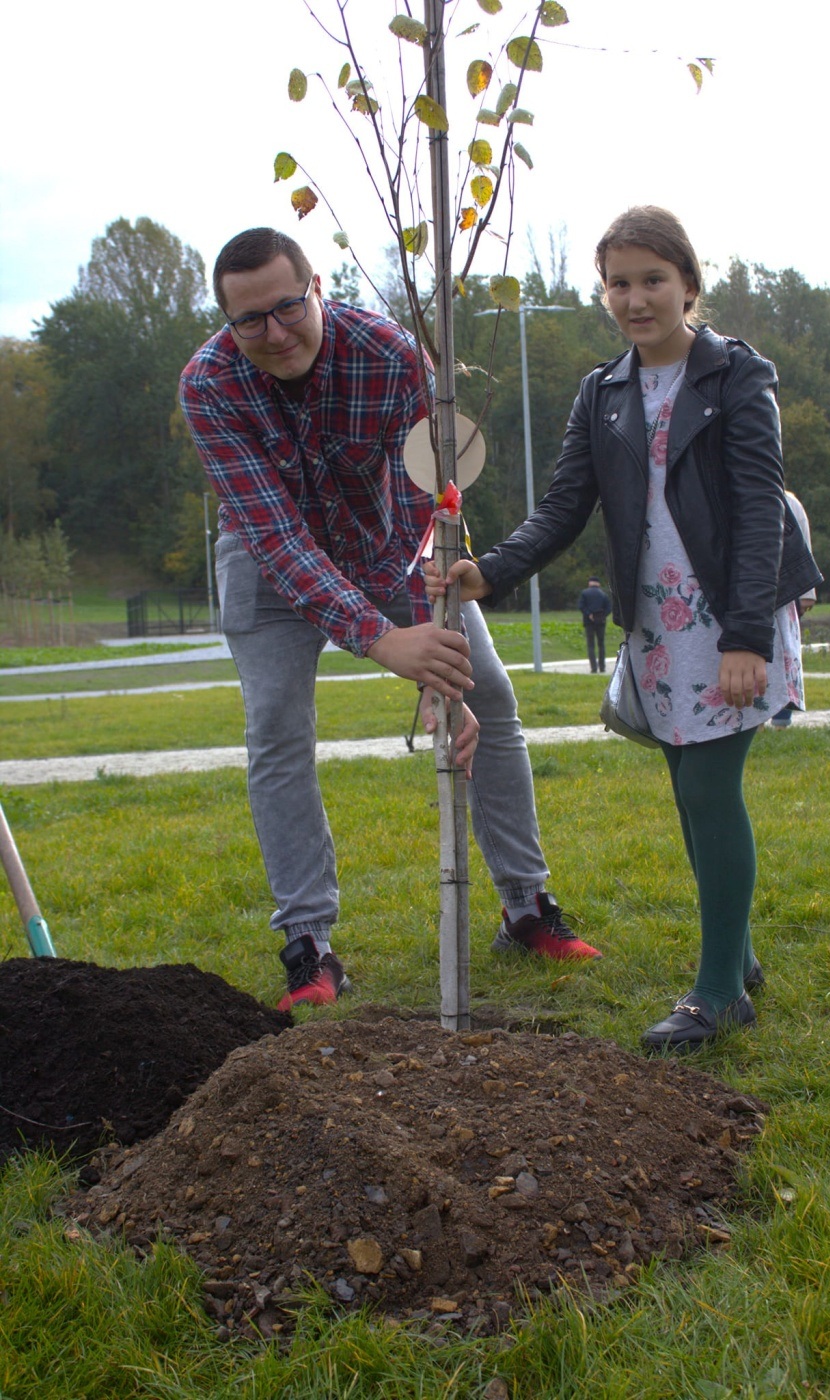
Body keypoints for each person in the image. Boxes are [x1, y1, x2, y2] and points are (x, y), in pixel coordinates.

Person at [427, 206, 821, 1053]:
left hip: (728, 616)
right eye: (619, 283)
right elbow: (566, 505)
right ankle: (739, 955)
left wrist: (747, 635)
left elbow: (759, 513)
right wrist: (490, 570)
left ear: (689, 284)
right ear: (602, 291)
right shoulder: (602, 393)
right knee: (688, 787)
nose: (636, 299)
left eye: (653, 280)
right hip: (657, 621)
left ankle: (720, 993)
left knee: (711, 791)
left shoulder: (738, 379)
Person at [179, 228, 602, 1012]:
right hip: (269, 566)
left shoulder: (394, 356)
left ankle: (526, 906)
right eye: (249, 322)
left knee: (492, 699)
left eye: (286, 308)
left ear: (318, 287)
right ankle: (309, 945)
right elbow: (276, 536)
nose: (274, 335)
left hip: (393, 547)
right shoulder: (209, 385)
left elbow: (424, 502)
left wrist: (432, 656)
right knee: (276, 726)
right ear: (225, 323)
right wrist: (383, 641)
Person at [770, 490, 818, 728]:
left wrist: (807, 593)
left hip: (785, 591)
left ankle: (781, 717)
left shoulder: (789, 501)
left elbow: (802, 546)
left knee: (784, 654)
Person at [578, 576, 612, 672]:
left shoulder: (584, 593)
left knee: (591, 645)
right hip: (601, 622)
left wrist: (589, 614)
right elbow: (609, 608)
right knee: (601, 644)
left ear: (589, 583)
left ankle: (593, 668)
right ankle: (602, 667)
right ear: (598, 584)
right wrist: (602, 615)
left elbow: (581, 606)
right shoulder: (603, 594)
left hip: (589, 622)